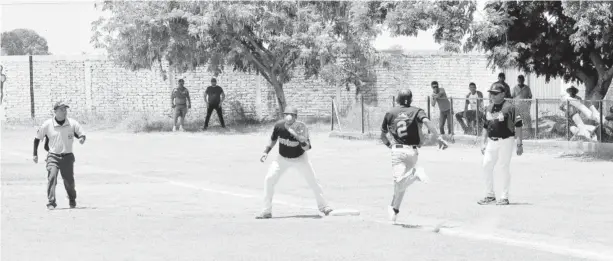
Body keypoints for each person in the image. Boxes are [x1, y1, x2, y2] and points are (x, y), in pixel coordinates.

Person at [380, 90, 449, 223]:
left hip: (398, 151)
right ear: (410, 100)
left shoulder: (391, 112)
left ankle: (416, 173)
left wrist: (390, 146)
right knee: (402, 184)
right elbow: (427, 122)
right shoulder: (417, 111)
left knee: (400, 183)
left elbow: (382, 135)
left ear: (398, 99)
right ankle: (394, 210)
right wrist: (438, 136)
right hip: (413, 152)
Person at [256, 106, 333, 219]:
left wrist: (298, 137)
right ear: (284, 115)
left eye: (292, 115)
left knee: (313, 181)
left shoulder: (301, 128)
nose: (289, 116)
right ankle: (266, 211)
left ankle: (324, 207)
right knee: (269, 179)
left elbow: (307, 148)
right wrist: (266, 152)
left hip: (300, 158)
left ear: (296, 117)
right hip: (282, 159)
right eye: (287, 114)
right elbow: (273, 139)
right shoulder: (279, 126)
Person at [33, 101, 86, 210]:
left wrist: (81, 139)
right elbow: (37, 138)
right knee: (52, 177)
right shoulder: (48, 124)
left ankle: (72, 198)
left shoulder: (72, 123)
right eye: (62, 109)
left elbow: (81, 134)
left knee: (69, 181)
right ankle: (51, 202)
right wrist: (35, 154)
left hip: (67, 157)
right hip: (53, 156)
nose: (64, 111)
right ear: (55, 111)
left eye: (65, 109)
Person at [478, 83, 524, 206]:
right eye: (491, 93)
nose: (492, 95)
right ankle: (490, 195)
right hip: (492, 141)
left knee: (503, 167)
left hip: (506, 140)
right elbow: (485, 126)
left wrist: (519, 144)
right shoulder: (488, 108)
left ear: (503, 94)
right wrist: (483, 142)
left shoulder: (510, 107)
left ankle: (504, 196)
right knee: (486, 165)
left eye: (495, 93)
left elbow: (518, 125)